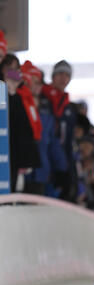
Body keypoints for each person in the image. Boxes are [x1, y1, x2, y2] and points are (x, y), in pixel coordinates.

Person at [21, 60, 67, 196]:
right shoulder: (17, 105)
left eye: (38, 82)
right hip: (23, 172)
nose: (36, 86)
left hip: (42, 172)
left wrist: (61, 169)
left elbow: (53, 143)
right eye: (32, 81)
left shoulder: (46, 110)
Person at [0, 54, 41, 191]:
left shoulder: (20, 95)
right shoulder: (4, 93)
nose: (12, 72)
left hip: (15, 157)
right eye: (8, 68)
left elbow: (24, 128)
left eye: (15, 68)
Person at [42, 60, 77, 201]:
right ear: (53, 76)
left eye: (67, 75)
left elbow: (68, 140)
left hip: (61, 159)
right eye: (60, 74)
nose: (63, 78)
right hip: (46, 158)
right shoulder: (43, 98)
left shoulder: (68, 105)